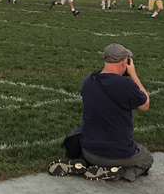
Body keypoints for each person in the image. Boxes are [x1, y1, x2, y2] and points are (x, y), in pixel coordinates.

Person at [49, 43, 152, 180]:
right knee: (147, 159)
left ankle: (83, 164)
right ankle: (117, 171)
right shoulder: (126, 85)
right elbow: (144, 105)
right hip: (117, 153)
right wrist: (133, 74)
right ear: (124, 62)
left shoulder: (89, 81)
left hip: (88, 150)